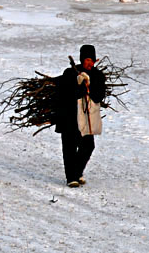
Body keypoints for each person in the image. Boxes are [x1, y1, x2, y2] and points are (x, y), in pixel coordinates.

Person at [54, 44, 106, 188]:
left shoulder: (98, 75)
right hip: (70, 117)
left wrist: (89, 86)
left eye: (92, 60)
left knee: (88, 146)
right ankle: (72, 177)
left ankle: (77, 172)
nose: (90, 63)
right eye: (87, 60)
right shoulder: (70, 73)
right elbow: (66, 94)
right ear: (82, 59)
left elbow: (99, 95)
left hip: (88, 119)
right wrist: (79, 86)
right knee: (69, 147)